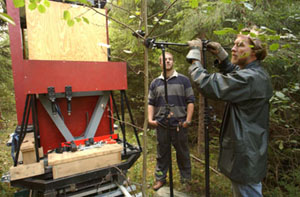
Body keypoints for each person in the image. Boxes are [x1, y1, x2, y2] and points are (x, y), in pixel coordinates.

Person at [186, 27, 272, 196]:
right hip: (249, 153)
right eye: (234, 44)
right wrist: (222, 55)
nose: (234, 48)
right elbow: (235, 76)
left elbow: (208, 84)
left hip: (245, 156)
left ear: (255, 51)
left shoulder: (252, 78)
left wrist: (195, 57)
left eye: (240, 45)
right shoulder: (255, 74)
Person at [148, 52, 195, 191]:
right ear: (160, 63)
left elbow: (191, 101)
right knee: (162, 154)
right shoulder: (155, 83)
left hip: (180, 125)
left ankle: (186, 181)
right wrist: (150, 119)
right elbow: (151, 102)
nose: (168, 61)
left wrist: (188, 120)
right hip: (162, 125)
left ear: (173, 62)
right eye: (164, 59)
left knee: (183, 154)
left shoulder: (183, 80)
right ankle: (160, 179)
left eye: (170, 59)